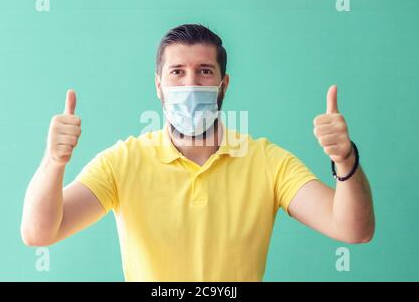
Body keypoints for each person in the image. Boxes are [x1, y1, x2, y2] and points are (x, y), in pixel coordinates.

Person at [21, 24, 375, 281]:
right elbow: (40, 233)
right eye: (177, 72)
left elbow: (353, 229)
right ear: (158, 86)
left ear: (224, 84)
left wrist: (345, 159)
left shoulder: (266, 161)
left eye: (205, 71)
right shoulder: (122, 162)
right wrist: (53, 161)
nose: (190, 84)